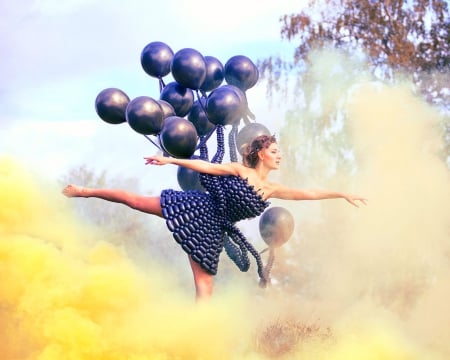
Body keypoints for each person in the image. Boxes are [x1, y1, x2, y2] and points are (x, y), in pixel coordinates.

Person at [63, 135, 366, 300]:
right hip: (196, 207)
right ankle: (85, 190)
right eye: (274, 151)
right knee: (135, 200)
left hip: (213, 231)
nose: (279, 155)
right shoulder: (239, 170)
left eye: (279, 152)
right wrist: (168, 158)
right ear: (261, 153)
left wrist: (341, 194)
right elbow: (204, 167)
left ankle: (199, 343)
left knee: (205, 288)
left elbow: (308, 194)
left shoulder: (273, 189)